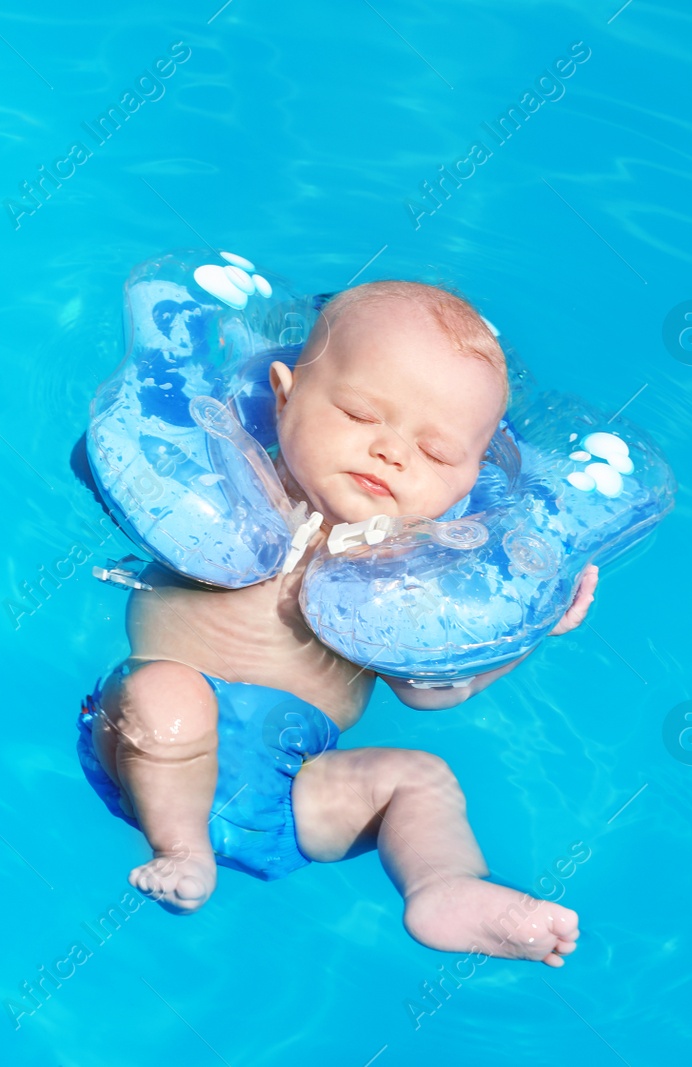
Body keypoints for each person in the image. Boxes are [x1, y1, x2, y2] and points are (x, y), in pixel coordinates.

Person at [77, 280, 595, 966]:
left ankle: (445, 884)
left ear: (469, 481)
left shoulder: (414, 574)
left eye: (436, 453)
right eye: (358, 413)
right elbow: (115, 472)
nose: (391, 452)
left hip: (291, 791)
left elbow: (433, 688)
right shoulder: (230, 485)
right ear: (284, 396)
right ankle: (181, 848)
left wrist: (525, 632)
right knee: (168, 692)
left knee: (417, 776)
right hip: (145, 746)